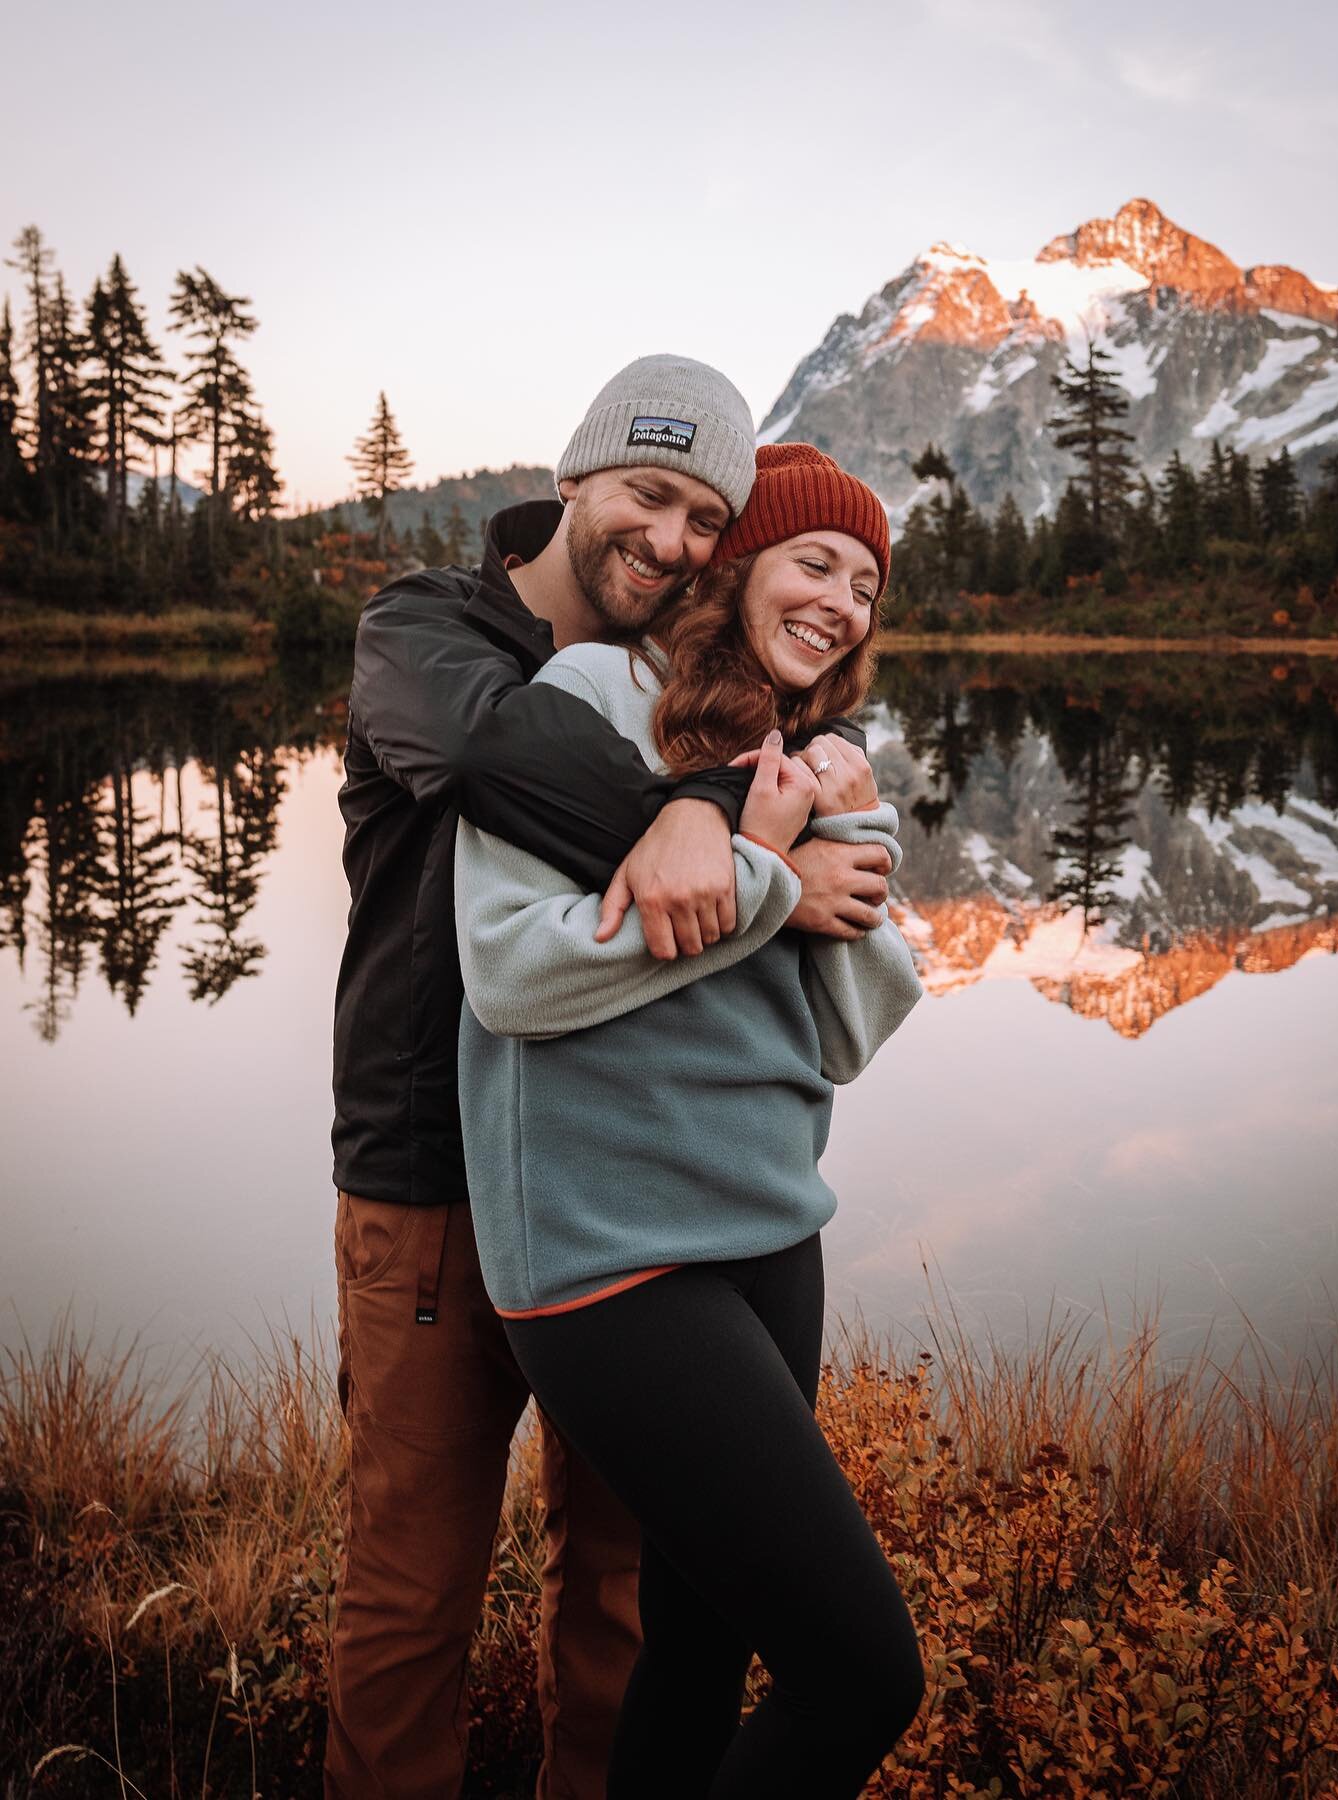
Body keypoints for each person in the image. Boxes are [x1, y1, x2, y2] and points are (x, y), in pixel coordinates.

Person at [329, 361, 895, 1800]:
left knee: (629, 1599)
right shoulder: (439, 637)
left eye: (709, 513)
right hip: (435, 1179)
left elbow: (831, 1005)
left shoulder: (743, 716)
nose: (674, 537)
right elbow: (486, 755)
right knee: (413, 1587)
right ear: (574, 479)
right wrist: (725, 827)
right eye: (650, 493)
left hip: (636, 1195)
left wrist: (779, 816)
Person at [455, 443, 927, 1798]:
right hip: (608, 1255)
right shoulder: (597, 696)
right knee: (860, 1674)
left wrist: (855, 824)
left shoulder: (812, 756)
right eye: (815, 563)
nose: (843, 602)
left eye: (867, 586)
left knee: (702, 1647)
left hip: (773, 1233)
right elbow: (516, 973)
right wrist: (768, 873)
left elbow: (848, 1030)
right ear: (738, 567)